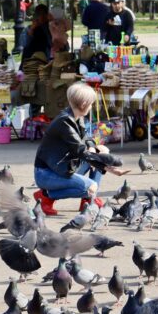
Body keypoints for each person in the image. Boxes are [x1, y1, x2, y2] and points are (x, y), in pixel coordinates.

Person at [33, 82, 127, 216]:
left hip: (61, 166)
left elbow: (86, 141)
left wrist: (96, 150)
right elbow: (80, 151)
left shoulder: (76, 116)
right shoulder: (64, 122)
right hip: (46, 173)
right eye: (91, 104)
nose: (91, 107)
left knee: (100, 150)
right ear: (83, 105)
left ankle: (88, 201)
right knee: (91, 187)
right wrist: (109, 166)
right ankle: (45, 195)